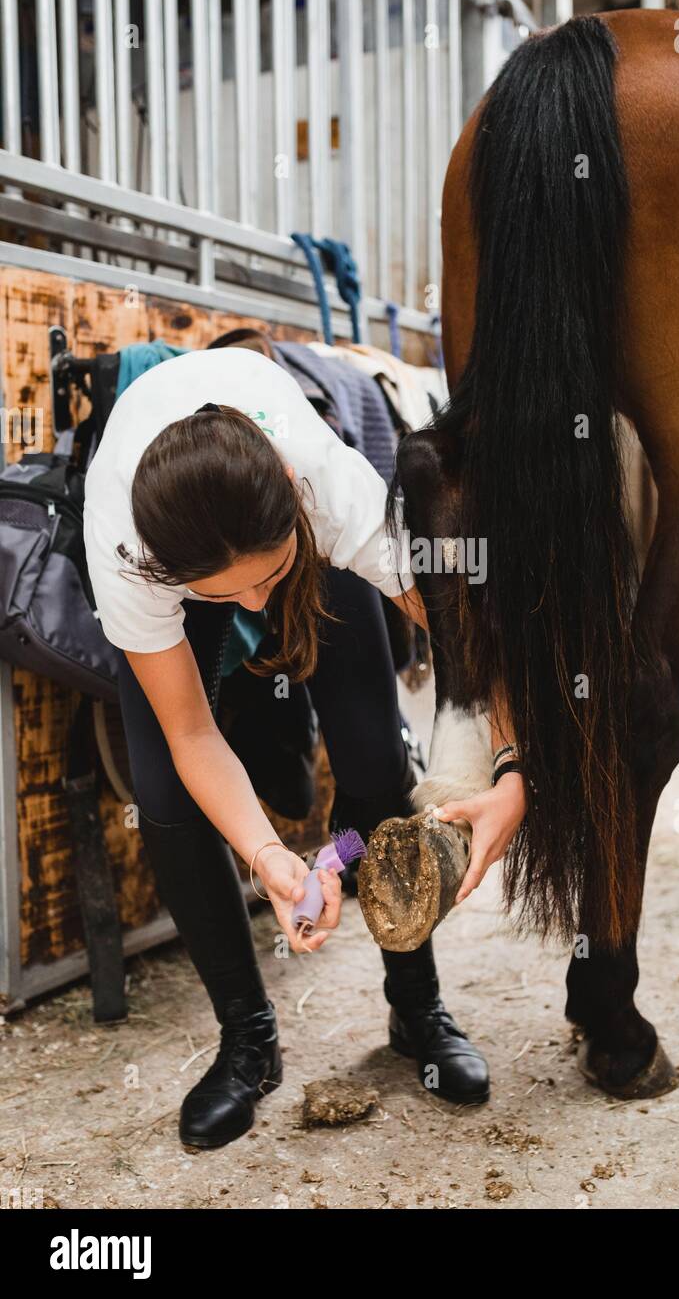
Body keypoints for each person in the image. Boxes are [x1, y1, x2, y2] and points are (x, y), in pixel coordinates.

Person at [83, 346, 524, 1149]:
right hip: (194, 551)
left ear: (294, 496)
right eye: (231, 595)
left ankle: (415, 1006)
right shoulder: (125, 549)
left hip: (301, 537)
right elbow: (191, 733)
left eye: (267, 578)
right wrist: (267, 856)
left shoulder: (329, 485)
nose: (256, 604)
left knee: (370, 757)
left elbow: (468, 641)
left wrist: (513, 765)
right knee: (165, 795)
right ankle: (248, 1039)